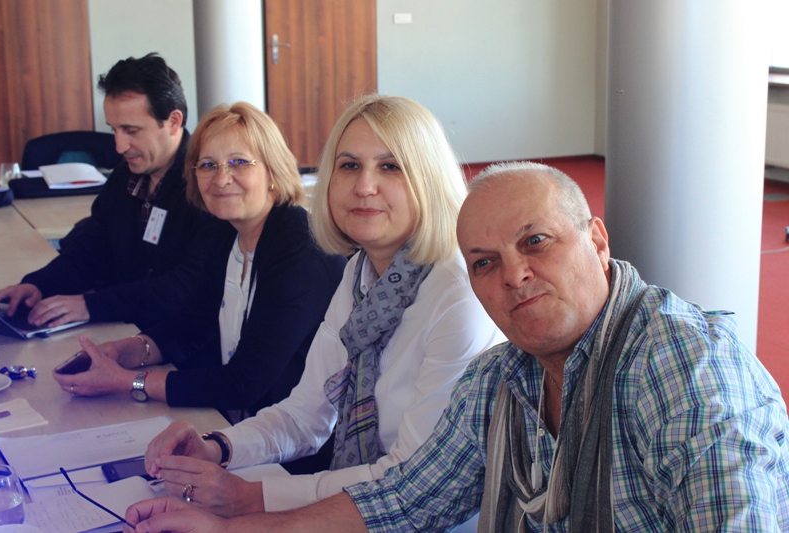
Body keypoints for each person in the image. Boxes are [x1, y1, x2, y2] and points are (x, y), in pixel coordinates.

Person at [125, 161, 789, 533]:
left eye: (536, 242)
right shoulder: (500, 377)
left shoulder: (683, 366)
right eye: (485, 262)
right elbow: (405, 498)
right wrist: (229, 527)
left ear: (597, 240)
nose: (515, 276)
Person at [131, 94, 504, 521]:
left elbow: (409, 481)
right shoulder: (360, 273)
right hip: (355, 503)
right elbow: (306, 415)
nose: (364, 186)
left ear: (429, 179)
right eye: (349, 165)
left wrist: (254, 497)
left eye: (390, 166)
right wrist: (218, 446)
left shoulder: (458, 295)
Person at [51, 101, 346, 420]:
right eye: (207, 165)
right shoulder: (227, 231)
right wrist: (125, 351)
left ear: (273, 171)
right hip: (242, 426)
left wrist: (127, 382)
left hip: (298, 441)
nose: (221, 179)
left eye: (238, 162)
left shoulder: (301, 250)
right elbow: (191, 325)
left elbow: (244, 383)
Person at [0, 53, 222, 330]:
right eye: (114, 130)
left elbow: (188, 285)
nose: (119, 146)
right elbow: (91, 251)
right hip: (124, 328)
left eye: (131, 131)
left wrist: (91, 305)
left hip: (175, 341)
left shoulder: (208, 184)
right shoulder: (124, 176)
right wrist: (39, 285)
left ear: (173, 122)